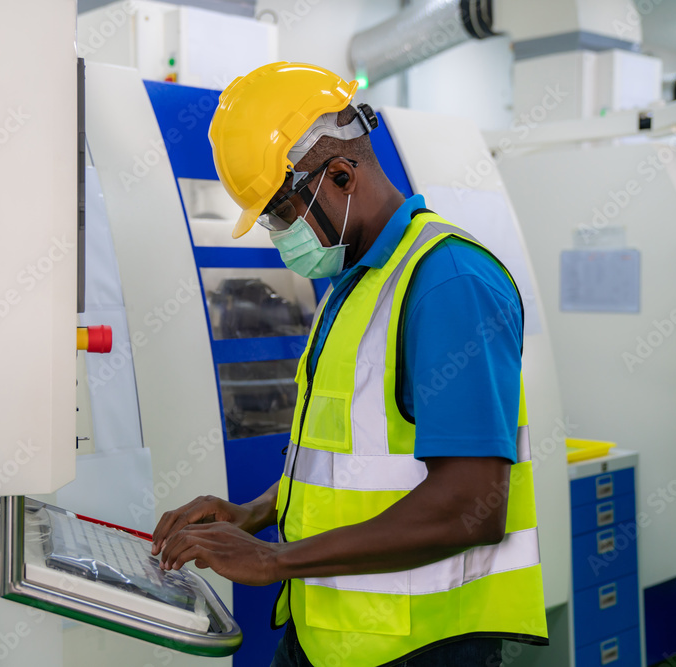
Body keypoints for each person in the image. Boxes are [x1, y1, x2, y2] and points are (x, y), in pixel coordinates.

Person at [151, 62, 548, 667]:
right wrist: (253, 514)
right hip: (329, 637)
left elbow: (473, 506)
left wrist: (273, 559)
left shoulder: (448, 282)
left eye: (282, 210)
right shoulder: (354, 281)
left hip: (420, 648)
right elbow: (349, 469)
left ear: (340, 174)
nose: (278, 232)